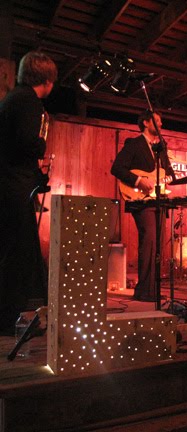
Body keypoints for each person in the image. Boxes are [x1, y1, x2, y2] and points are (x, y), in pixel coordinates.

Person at [0, 51, 57, 332]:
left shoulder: (13, 99)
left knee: (14, 251)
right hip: (12, 186)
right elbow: (26, 143)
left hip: (9, 183)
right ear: (47, 80)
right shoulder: (29, 103)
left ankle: (12, 316)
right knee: (17, 255)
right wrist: (41, 148)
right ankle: (10, 320)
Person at [111, 109, 187, 302]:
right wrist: (138, 181)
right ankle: (144, 291)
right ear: (146, 123)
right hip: (141, 201)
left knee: (158, 246)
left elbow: (168, 174)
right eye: (157, 121)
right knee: (150, 242)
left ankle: (152, 290)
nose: (161, 124)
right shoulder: (134, 144)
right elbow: (117, 168)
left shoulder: (161, 147)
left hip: (158, 200)